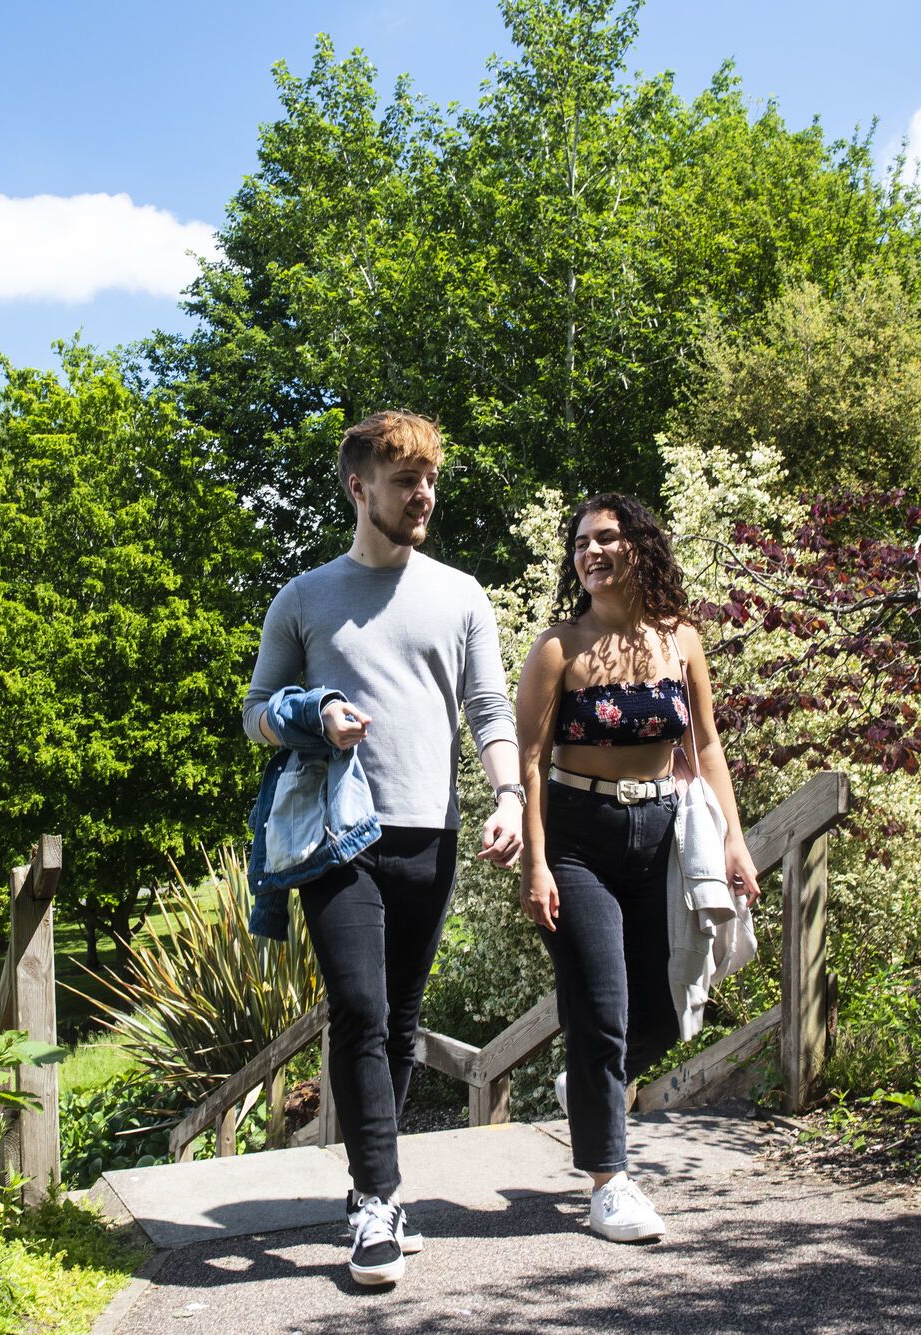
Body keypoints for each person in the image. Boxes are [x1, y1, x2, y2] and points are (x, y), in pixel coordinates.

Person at [242, 410, 523, 1286]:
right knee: (360, 1007)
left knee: (400, 1019)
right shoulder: (305, 597)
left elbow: (488, 710)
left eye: (430, 479)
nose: (424, 495)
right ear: (361, 488)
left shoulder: (462, 594)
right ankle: (374, 1201)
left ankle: (378, 1187)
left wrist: (508, 793)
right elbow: (255, 714)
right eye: (406, 482)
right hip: (337, 835)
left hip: (426, 833)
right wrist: (312, 716)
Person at [514, 493, 760, 1242]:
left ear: (638, 547)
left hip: (661, 830)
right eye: (581, 542)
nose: (591, 551)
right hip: (577, 836)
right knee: (601, 1004)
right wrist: (535, 862)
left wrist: (735, 840)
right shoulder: (560, 647)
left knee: (665, 1006)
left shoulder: (680, 639)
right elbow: (528, 761)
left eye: (607, 538)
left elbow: (707, 746)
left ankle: (588, 1085)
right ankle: (609, 1182)